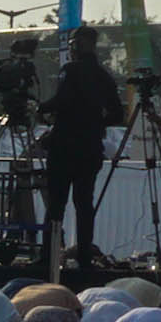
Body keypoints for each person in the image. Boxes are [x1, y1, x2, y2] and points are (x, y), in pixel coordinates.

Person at [37, 26, 122, 271]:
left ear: (82, 43)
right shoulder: (103, 75)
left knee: (56, 204)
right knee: (84, 203)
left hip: (64, 146)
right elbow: (117, 113)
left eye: (73, 43)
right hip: (90, 148)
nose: (71, 48)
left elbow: (62, 101)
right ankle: (84, 257)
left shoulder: (71, 70)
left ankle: (49, 256)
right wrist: (94, 122)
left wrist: (40, 108)